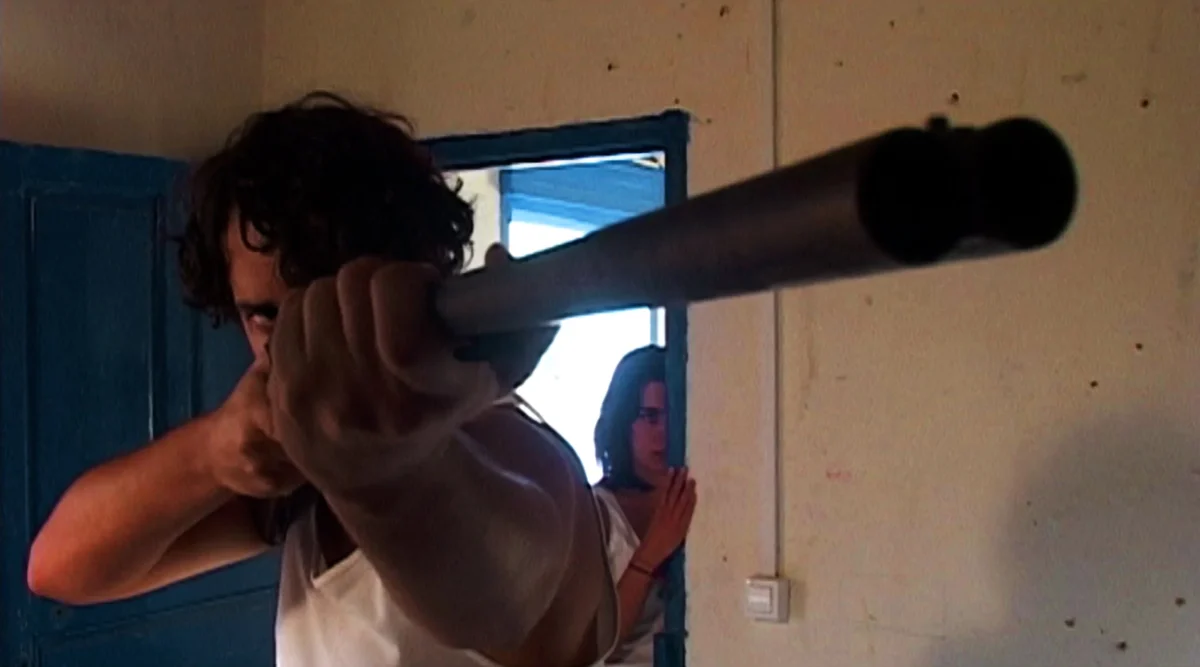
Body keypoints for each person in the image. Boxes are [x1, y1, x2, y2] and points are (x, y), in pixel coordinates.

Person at [26, 91, 618, 667]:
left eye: (328, 305)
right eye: (265, 316)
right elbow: (60, 569)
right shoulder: (298, 481)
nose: (296, 345)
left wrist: (376, 463)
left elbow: (504, 605)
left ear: (416, 277)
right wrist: (211, 452)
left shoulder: (521, 453)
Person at [592, 346, 697, 666]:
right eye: (651, 417)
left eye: (673, 416)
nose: (665, 432)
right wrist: (651, 553)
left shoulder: (698, 490)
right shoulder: (595, 511)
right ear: (623, 421)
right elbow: (592, 644)